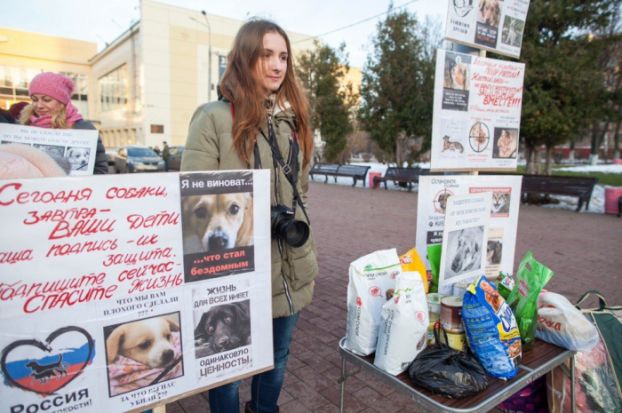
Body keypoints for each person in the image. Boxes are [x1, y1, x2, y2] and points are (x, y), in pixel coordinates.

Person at [181, 19, 318, 413]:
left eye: (283, 57)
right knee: (225, 367)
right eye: (266, 55)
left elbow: (302, 190)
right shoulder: (213, 118)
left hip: (289, 263)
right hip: (233, 267)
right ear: (244, 58)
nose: (277, 65)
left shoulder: (293, 123)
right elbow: (196, 200)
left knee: (277, 356)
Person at [19, 72, 108, 174]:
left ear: (62, 102)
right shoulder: (24, 125)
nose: (39, 105)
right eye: (34, 99)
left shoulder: (83, 128)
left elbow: (100, 170)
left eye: (46, 100)